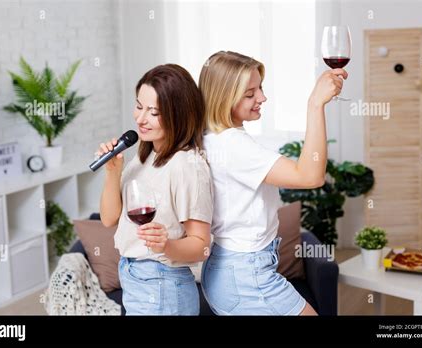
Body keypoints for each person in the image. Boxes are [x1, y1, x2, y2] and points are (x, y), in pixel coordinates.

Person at [199, 51, 348, 315]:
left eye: (260, 88)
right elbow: (310, 176)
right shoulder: (233, 145)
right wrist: (315, 104)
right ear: (224, 97)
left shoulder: (212, 137)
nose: (262, 98)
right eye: (250, 93)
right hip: (246, 276)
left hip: (228, 269)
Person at [96, 64, 213, 315]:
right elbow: (108, 219)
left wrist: (166, 245)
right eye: (139, 106)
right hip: (134, 277)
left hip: (162, 284)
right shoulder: (145, 154)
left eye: (153, 112)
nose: (140, 119)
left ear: (177, 114)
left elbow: (202, 246)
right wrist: (113, 172)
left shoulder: (186, 165)